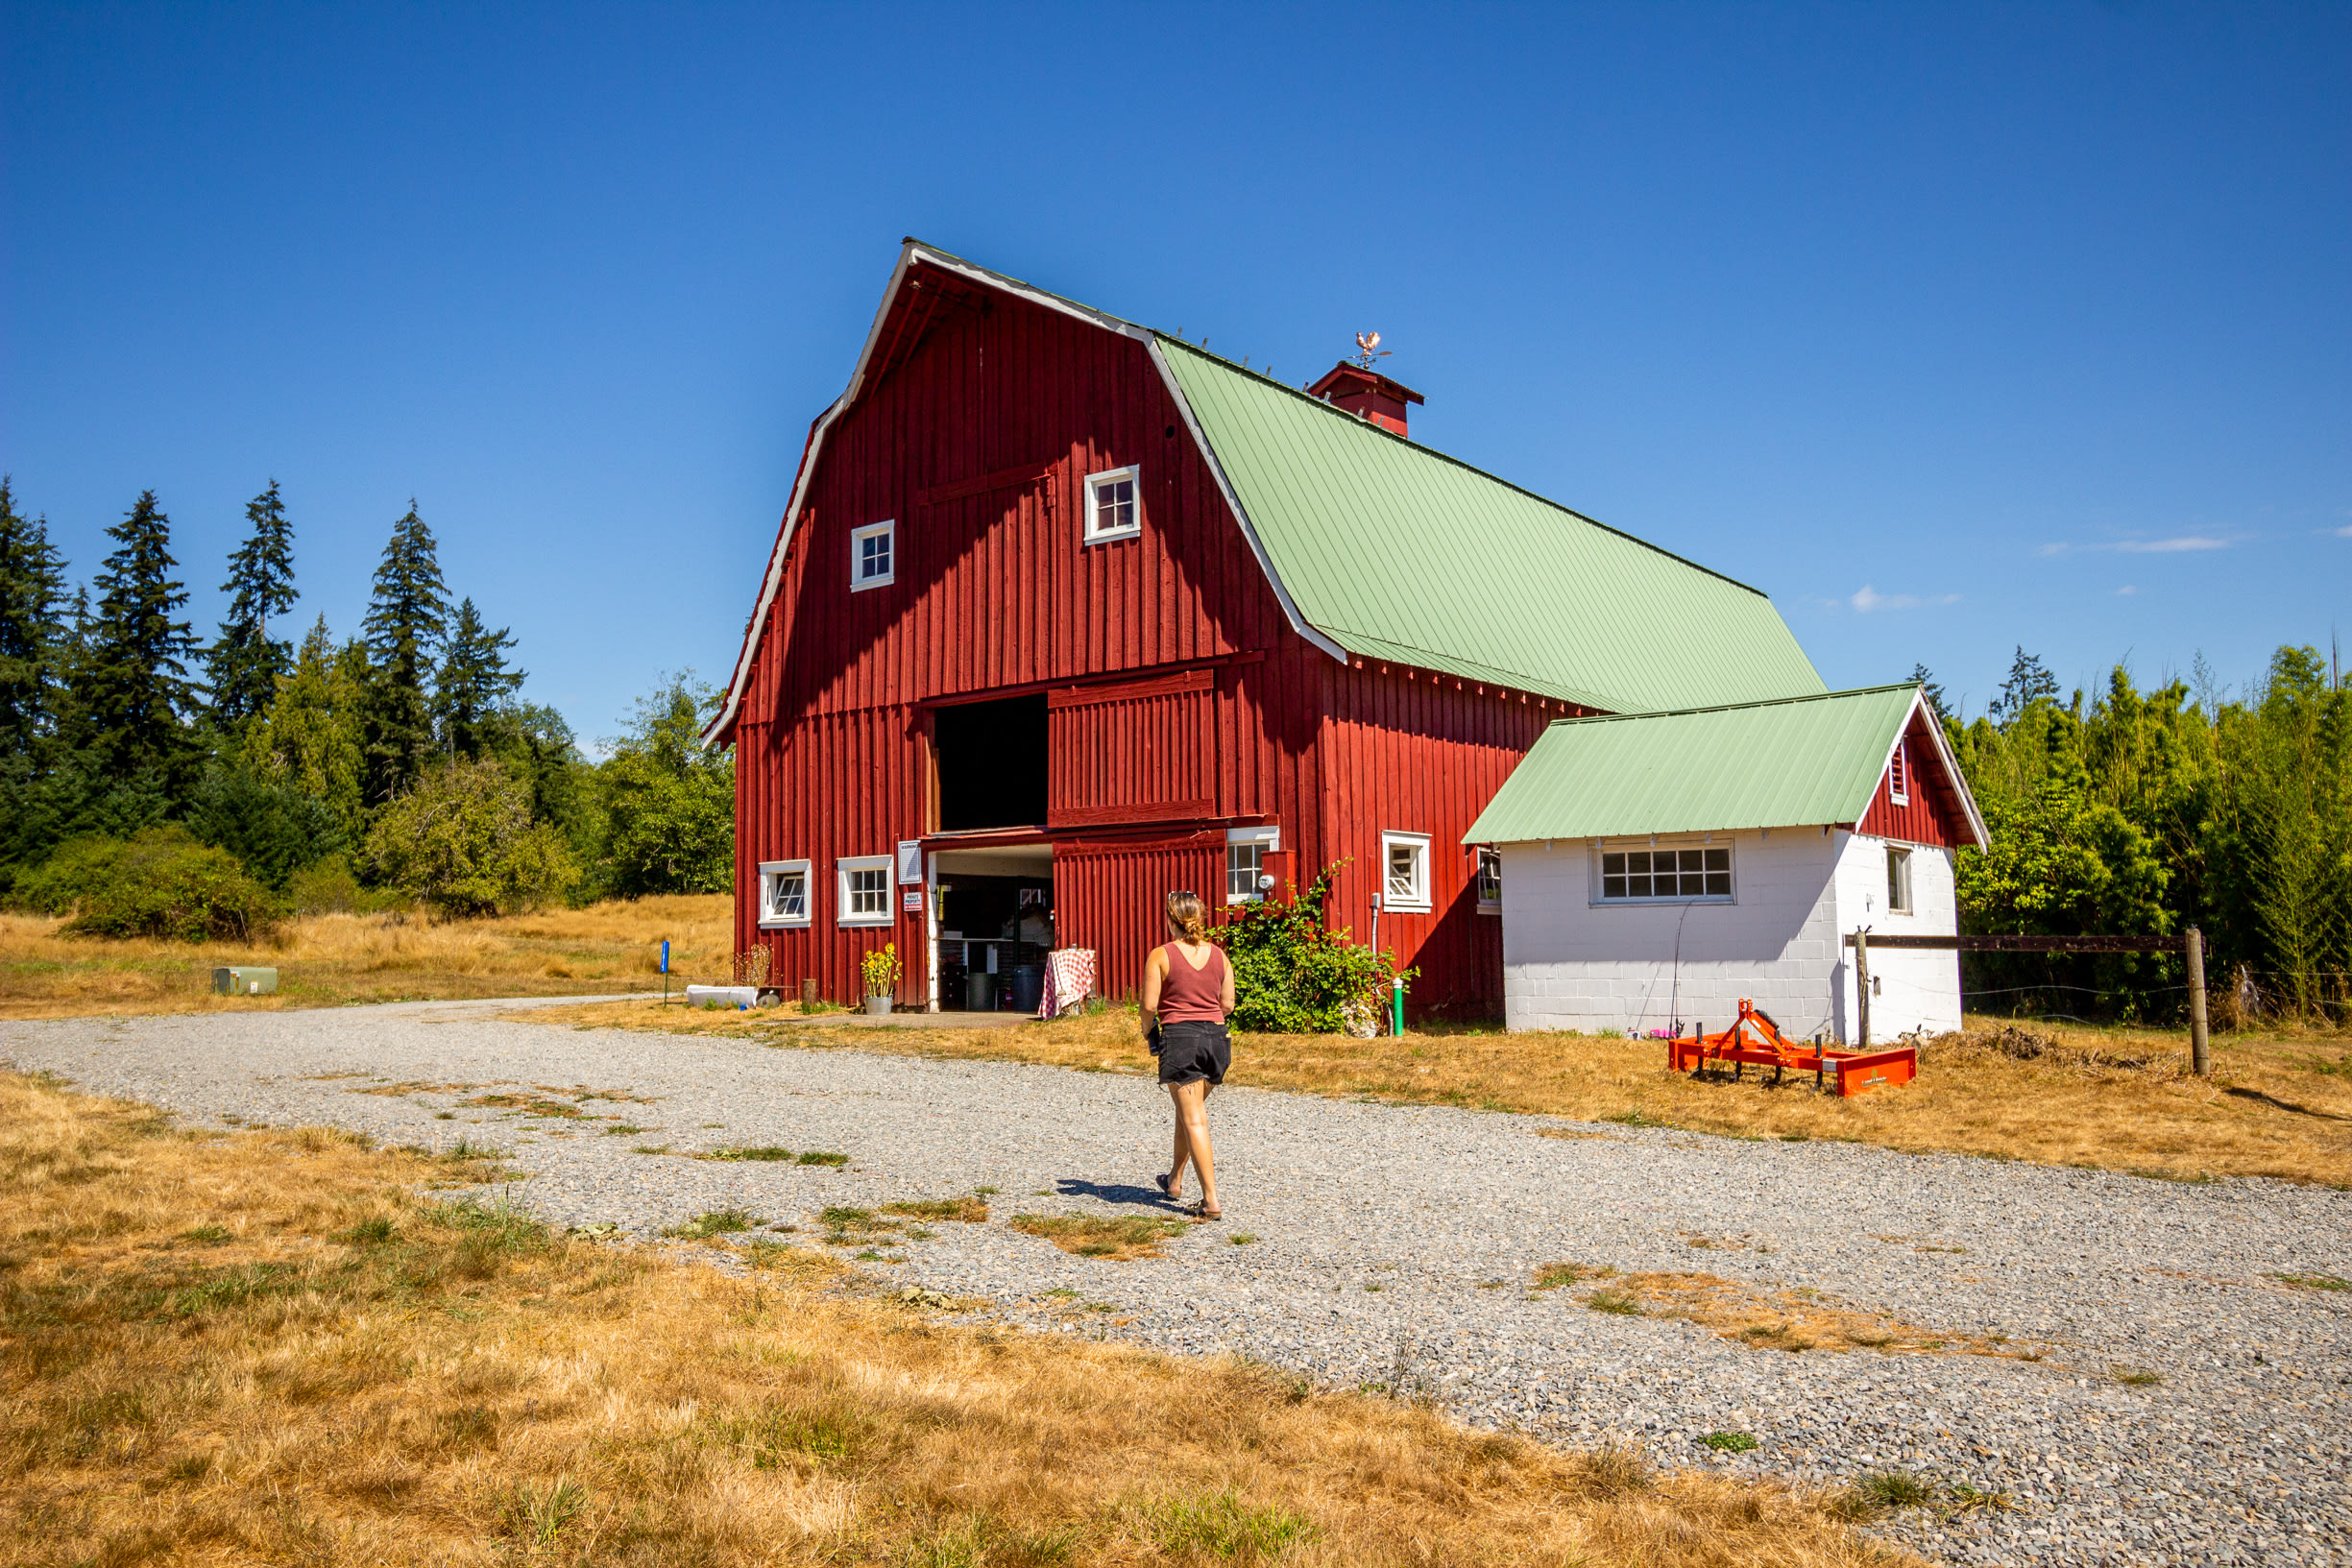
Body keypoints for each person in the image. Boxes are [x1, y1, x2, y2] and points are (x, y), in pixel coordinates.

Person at [1140, 888, 1234, 1219]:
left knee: (1194, 1119)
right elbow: (1227, 1004)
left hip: (1182, 1040)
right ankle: (1175, 1180)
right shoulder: (1220, 955)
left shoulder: (1161, 955)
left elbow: (1150, 1005)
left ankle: (1211, 1201)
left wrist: (1147, 1029)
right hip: (1217, 1042)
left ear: (1170, 920)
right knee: (1188, 1112)